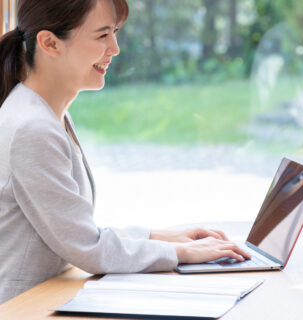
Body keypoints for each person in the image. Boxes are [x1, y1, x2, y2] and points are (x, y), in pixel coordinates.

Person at [0, 0, 250, 304]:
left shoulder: (43, 114)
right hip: (25, 307)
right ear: (50, 43)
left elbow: (75, 229)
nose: (115, 48)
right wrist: (180, 253)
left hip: (49, 296)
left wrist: (159, 237)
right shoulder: (32, 128)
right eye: (102, 35)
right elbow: (86, 247)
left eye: (115, 32)